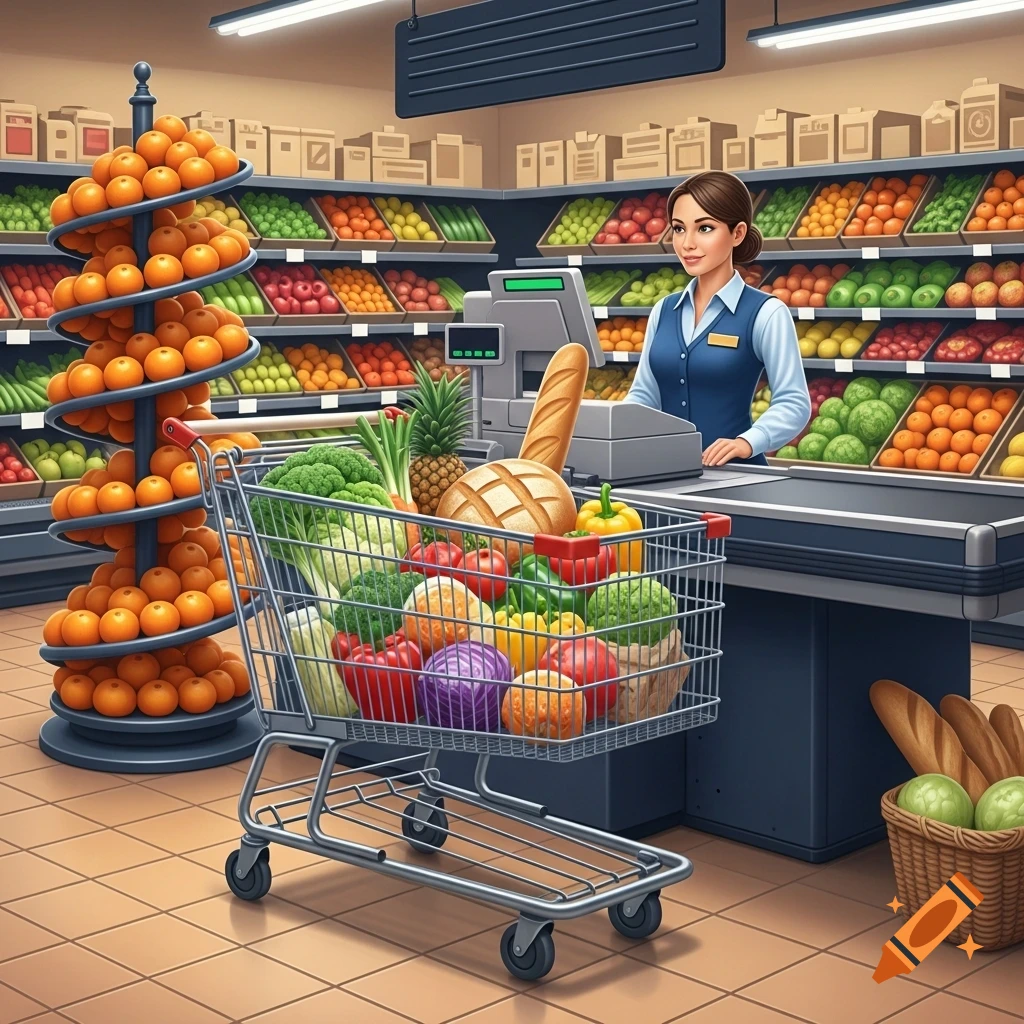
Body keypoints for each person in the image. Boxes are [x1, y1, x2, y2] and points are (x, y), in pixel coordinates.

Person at [623, 170, 811, 466]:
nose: (687, 244)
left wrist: (748, 441)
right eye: (679, 229)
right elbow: (645, 394)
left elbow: (794, 403)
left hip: (737, 479)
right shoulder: (663, 310)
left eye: (705, 228)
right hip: (664, 472)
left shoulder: (766, 313)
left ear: (737, 233)